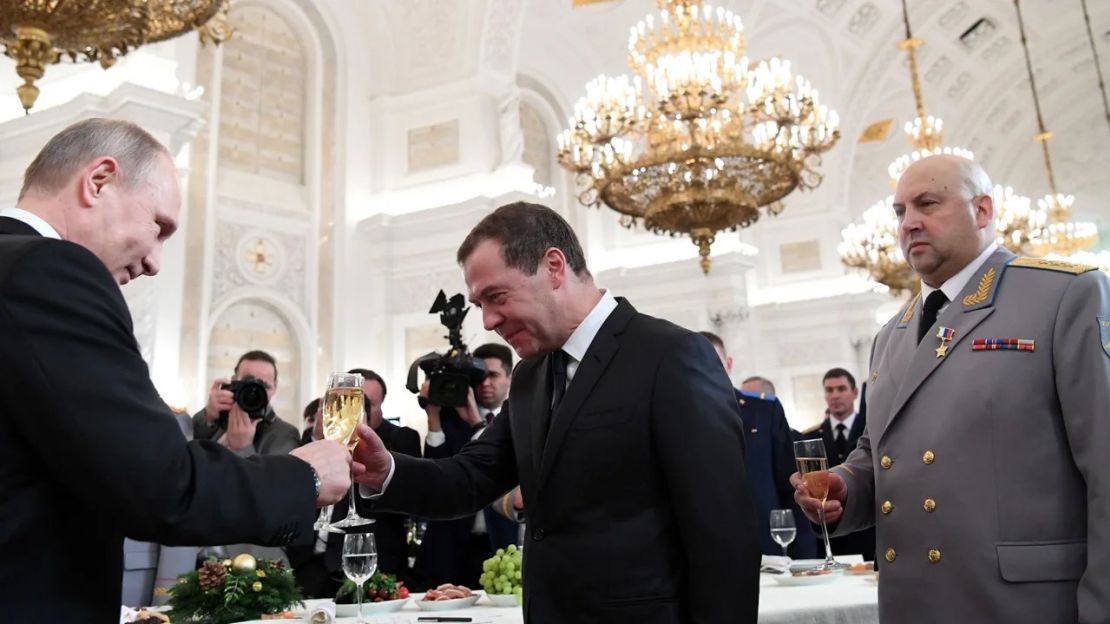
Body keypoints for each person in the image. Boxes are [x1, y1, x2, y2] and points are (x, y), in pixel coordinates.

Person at [0, 118, 352, 620]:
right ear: (98, 181)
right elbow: (160, 484)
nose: (155, 262)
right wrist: (305, 476)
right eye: (159, 226)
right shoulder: (50, 270)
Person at [354, 201, 761, 623]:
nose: (489, 321)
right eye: (479, 305)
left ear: (553, 266)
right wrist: (386, 472)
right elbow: (471, 477)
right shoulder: (531, 376)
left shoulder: (671, 355)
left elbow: (723, 535)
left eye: (496, 297)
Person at [792, 154, 1110, 622]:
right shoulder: (890, 335)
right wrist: (846, 486)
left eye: (927, 204)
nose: (909, 224)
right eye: (900, 212)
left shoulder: (1064, 296)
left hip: (1023, 605)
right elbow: (879, 449)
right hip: (912, 602)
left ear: (982, 211)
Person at [288, 369, 421, 597]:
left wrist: (361, 442)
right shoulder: (308, 441)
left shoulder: (398, 441)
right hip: (308, 566)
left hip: (367, 564)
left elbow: (401, 501)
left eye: (367, 403)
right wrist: (321, 435)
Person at [700, 331, 816, 559]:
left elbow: (791, 485)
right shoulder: (675, 416)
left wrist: (804, 556)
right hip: (706, 553)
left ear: (729, 363)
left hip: (767, 550)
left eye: (713, 360)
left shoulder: (764, 411)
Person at [416, 343, 521, 588]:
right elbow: (436, 473)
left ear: (510, 378)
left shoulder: (523, 420)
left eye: (493, 375)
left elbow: (503, 463)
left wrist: (476, 422)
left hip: (502, 543)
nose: (485, 383)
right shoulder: (452, 420)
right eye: (480, 377)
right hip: (452, 546)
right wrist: (433, 416)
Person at [801, 368, 875, 562]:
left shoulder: (873, 432)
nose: (835, 396)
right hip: (828, 540)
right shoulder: (809, 437)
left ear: (855, 392)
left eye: (841, 389)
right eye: (829, 390)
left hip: (868, 538)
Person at [193, 350, 300, 456]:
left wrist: (242, 449)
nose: (254, 391)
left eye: (263, 386)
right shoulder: (221, 417)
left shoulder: (285, 434)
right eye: (247, 383)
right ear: (234, 380)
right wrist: (208, 416)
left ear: (274, 387)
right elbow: (189, 449)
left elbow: (276, 473)